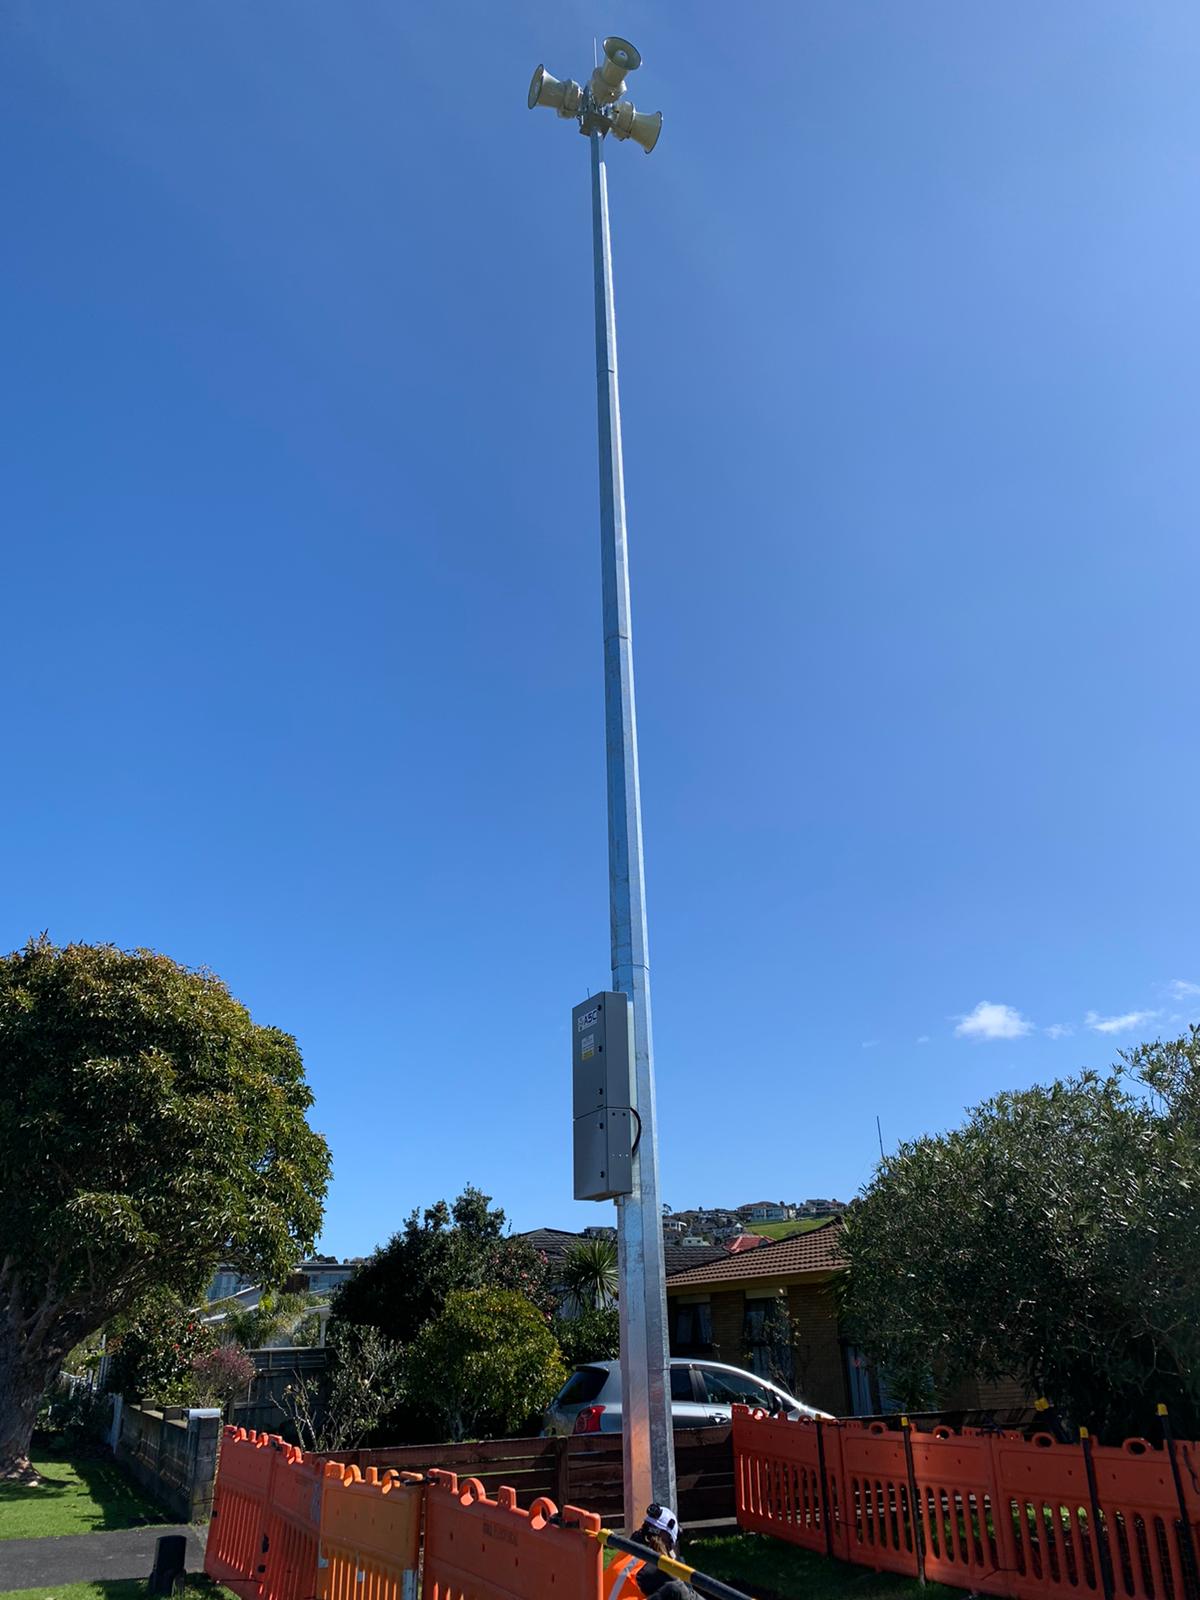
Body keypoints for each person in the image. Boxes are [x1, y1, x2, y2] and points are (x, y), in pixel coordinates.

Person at [608, 1504, 699, 1599]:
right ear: (666, 1542)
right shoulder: (653, 1566)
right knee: (676, 1591)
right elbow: (687, 1595)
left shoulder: (625, 1552)